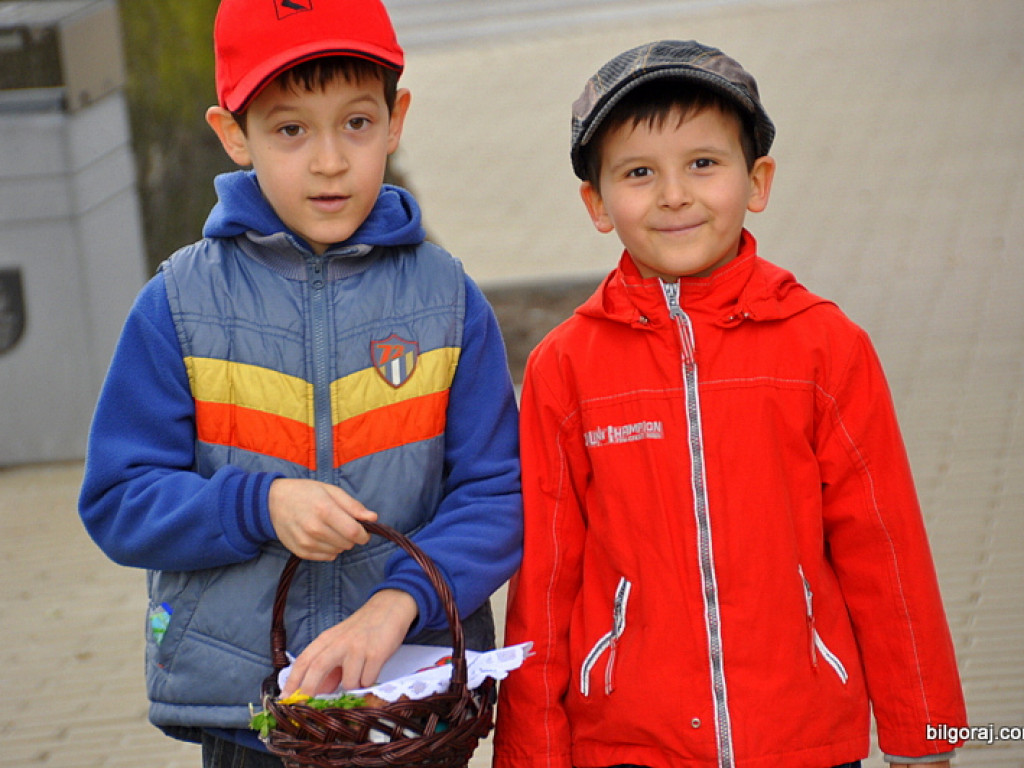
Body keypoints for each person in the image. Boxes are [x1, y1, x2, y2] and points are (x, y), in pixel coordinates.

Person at [492, 40, 967, 768]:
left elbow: (886, 549)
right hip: (627, 742)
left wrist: (926, 731)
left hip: (802, 736)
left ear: (758, 180)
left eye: (703, 164)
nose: (674, 195)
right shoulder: (566, 369)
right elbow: (547, 583)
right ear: (597, 202)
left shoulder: (824, 346)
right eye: (639, 173)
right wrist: (532, 754)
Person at [78, 1, 522, 764]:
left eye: (356, 123)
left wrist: (399, 604)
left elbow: (496, 495)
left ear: (395, 118)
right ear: (232, 133)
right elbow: (119, 499)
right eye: (291, 130)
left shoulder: (447, 301)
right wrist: (259, 503)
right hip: (248, 714)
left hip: (405, 703)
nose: (329, 161)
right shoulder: (178, 305)